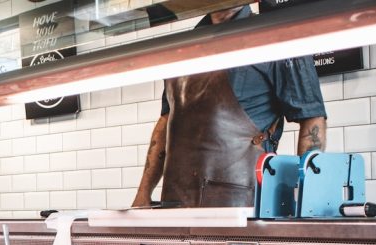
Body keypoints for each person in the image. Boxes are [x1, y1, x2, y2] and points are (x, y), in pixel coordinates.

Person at [131, 4, 327, 208]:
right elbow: (166, 121)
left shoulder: (276, 39)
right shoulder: (183, 48)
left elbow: (312, 118)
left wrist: (306, 197)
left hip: (240, 206)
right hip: (175, 204)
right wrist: (143, 192)